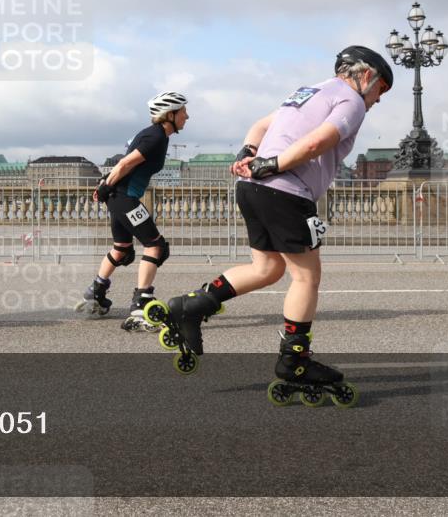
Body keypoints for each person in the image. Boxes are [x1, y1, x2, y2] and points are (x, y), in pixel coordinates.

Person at [154, 46, 392, 402]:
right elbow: (320, 141)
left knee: (265, 268)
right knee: (306, 276)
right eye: (381, 89)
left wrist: (248, 153)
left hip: (251, 188)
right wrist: (275, 164)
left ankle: (191, 307)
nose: (378, 99)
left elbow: (263, 124)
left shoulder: (307, 91)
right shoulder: (351, 101)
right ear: (365, 75)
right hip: (286, 191)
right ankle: (295, 361)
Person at [75, 92, 188, 331]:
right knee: (156, 246)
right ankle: (141, 303)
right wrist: (106, 185)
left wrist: (106, 184)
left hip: (120, 197)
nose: (187, 116)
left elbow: (125, 161)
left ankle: (95, 292)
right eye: (183, 111)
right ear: (170, 115)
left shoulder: (158, 135)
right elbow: (126, 163)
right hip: (124, 198)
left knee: (122, 249)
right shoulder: (155, 137)